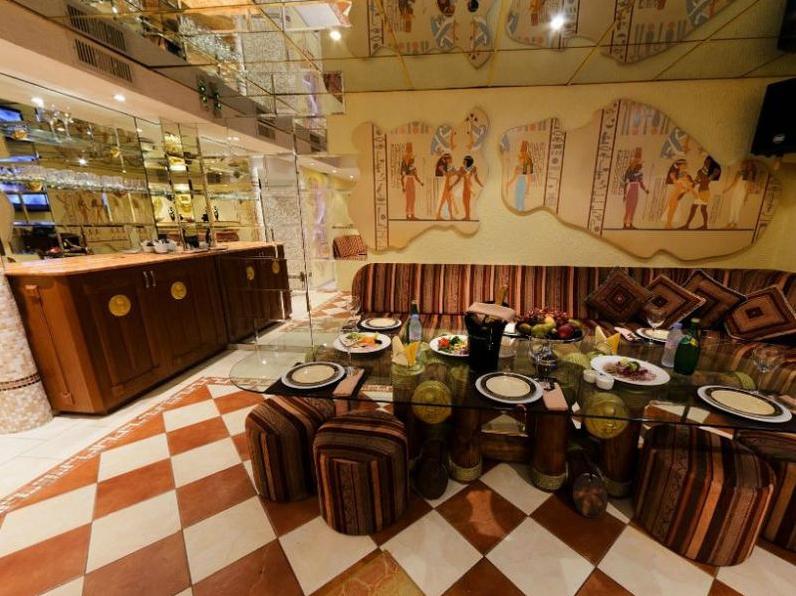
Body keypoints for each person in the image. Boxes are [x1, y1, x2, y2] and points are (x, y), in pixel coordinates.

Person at [681, 155, 721, 230]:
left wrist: (697, 182)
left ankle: (688, 225)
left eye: (709, 162)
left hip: (705, 192)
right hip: (702, 192)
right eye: (706, 161)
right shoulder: (700, 171)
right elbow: (695, 182)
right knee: (702, 209)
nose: (707, 163)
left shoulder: (711, 172)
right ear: (704, 162)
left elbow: (706, 181)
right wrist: (688, 187)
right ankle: (701, 225)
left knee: (697, 208)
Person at [723, 159, 756, 229]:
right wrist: (727, 189)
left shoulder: (750, 174)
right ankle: (730, 222)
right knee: (732, 205)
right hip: (736, 190)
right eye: (743, 165)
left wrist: (746, 196)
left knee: (738, 206)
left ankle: (735, 223)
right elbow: (734, 183)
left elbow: (748, 185)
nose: (744, 166)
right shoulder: (739, 173)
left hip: (742, 191)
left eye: (746, 165)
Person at [505, 140, 533, 211]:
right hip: (518, 184)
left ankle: (521, 212)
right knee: (517, 200)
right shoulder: (517, 167)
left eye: (523, 152)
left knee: (521, 200)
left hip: (523, 184)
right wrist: (509, 183)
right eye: (520, 158)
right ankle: (518, 212)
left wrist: (528, 189)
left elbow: (529, 178)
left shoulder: (527, 165)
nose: (520, 160)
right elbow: (514, 177)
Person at [453, 155, 482, 220]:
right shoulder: (462, 168)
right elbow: (458, 178)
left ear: (467, 161)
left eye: (464, 160)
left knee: (467, 202)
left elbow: (476, 178)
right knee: (464, 202)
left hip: (469, 186)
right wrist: (453, 185)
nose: (463, 161)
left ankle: (467, 216)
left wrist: (481, 185)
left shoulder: (473, 168)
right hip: (463, 186)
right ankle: (467, 216)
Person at [622, 161, 649, 229]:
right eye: (639, 166)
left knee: (633, 209)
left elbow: (641, 184)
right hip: (631, 193)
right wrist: (624, 195)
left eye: (640, 167)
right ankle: (625, 224)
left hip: (636, 194)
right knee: (628, 209)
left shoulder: (639, 174)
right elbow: (625, 184)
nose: (640, 168)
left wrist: (645, 190)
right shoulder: (630, 174)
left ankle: (630, 224)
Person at [400, 143, 424, 219]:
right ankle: (407, 215)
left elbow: (416, 176)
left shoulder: (413, 168)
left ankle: (412, 214)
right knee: (408, 199)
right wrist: (403, 187)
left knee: (413, 199)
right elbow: (402, 178)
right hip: (408, 182)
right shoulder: (404, 166)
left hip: (411, 182)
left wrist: (420, 182)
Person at [435, 153, 461, 220]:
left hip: (449, 184)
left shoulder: (452, 167)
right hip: (444, 184)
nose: (450, 159)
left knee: (449, 201)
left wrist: (452, 185)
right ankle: (438, 215)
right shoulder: (441, 167)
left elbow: (459, 176)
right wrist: (455, 173)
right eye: (448, 158)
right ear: (446, 160)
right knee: (442, 200)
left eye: (450, 158)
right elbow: (446, 175)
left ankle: (451, 216)